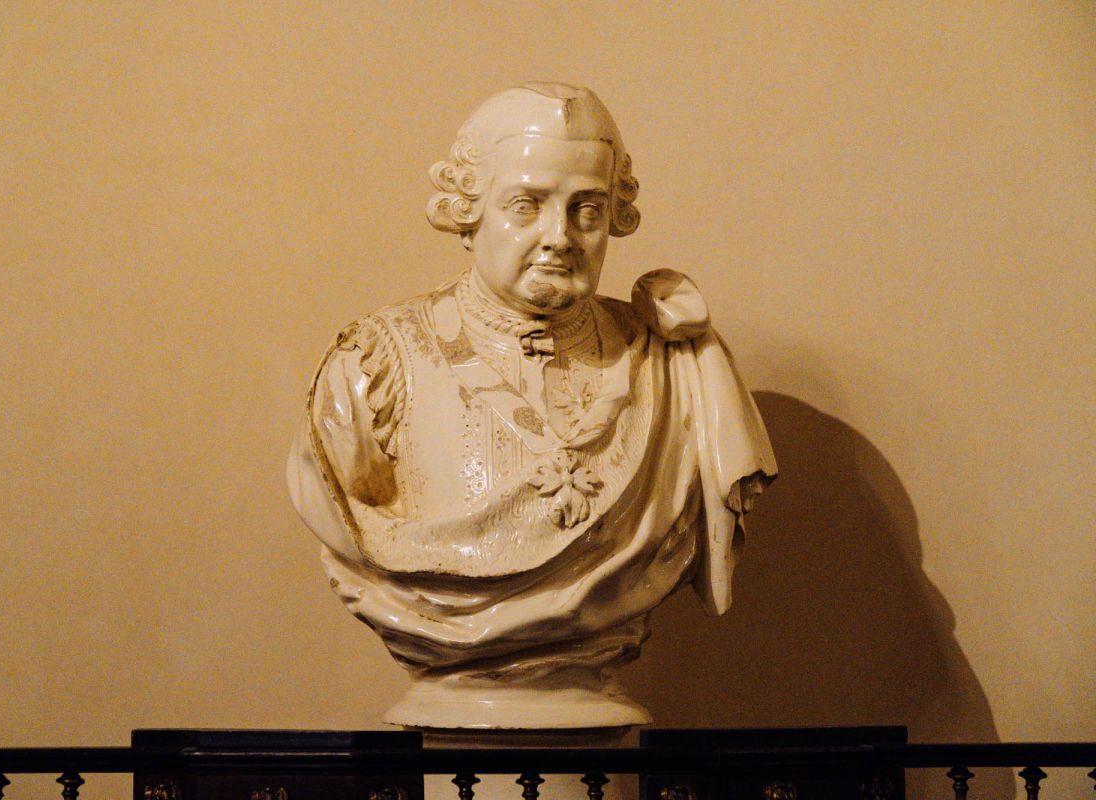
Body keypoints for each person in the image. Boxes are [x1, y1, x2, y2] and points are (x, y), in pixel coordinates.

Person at [288, 83, 776, 729]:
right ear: (469, 212)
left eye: (587, 210)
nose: (559, 236)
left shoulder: (673, 370)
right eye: (525, 205)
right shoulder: (371, 365)